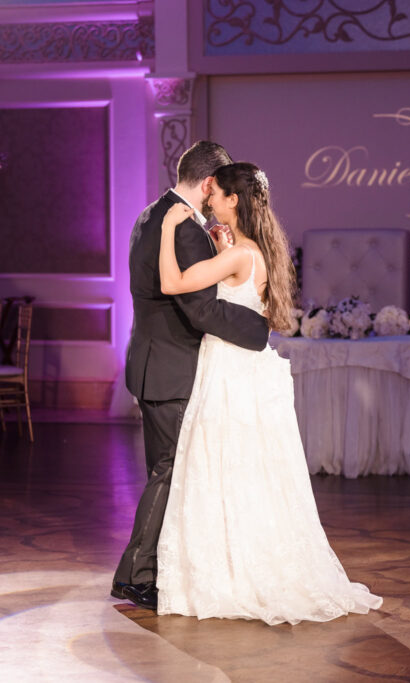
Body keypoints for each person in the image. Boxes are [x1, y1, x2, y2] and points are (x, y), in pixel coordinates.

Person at [154, 162, 383, 625]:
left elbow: (171, 284)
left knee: (223, 466)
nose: (209, 201)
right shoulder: (249, 250)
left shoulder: (242, 255)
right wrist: (223, 245)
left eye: (216, 195)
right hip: (241, 368)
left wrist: (166, 229)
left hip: (229, 371)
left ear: (233, 200)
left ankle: (235, 576)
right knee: (242, 469)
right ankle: (242, 566)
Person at [112, 142, 271, 610]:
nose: (218, 197)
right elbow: (200, 309)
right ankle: (135, 575)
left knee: (164, 472)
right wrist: (257, 328)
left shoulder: (151, 214)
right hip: (171, 368)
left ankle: (158, 568)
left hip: (151, 362)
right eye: (218, 188)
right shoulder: (182, 229)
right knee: (169, 473)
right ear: (207, 184)